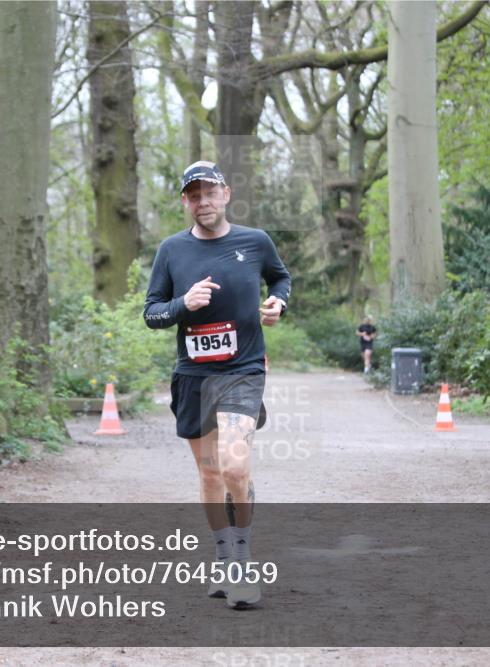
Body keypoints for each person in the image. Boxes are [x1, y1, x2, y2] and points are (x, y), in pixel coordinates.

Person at [143, 160, 291, 609]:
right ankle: (224, 557)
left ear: (226, 194)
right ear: (184, 202)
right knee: (209, 473)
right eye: (193, 195)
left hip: (242, 370)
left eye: (209, 192)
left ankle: (243, 563)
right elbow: (152, 313)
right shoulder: (172, 251)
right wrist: (182, 304)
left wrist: (278, 303)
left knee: (233, 465)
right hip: (193, 376)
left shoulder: (255, 241)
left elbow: (280, 278)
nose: (202, 201)